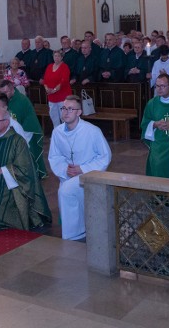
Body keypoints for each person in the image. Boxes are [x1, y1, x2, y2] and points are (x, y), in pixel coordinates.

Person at [48, 95, 111, 240]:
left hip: (89, 175)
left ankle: (72, 235)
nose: (66, 112)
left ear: (79, 112)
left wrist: (83, 169)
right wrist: (65, 170)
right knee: (67, 191)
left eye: (71, 109)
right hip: (67, 175)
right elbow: (55, 156)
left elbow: (105, 156)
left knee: (66, 191)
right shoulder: (57, 132)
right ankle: (78, 230)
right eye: (64, 108)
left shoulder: (92, 131)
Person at [0, 79, 47, 179]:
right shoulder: (8, 99)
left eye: (6, 92)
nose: (4, 95)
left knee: (31, 152)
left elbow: (17, 118)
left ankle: (37, 173)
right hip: (19, 129)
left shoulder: (20, 100)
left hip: (28, 129)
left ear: (12, 89)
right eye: (2, 93)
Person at [43, 49, 72, 127]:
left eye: (59, 56)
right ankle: (57, 135)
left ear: (62, 57)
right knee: (54, 118)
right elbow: (45, 80)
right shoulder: (49, 66)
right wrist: (47, 89)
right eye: (55, 56)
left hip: (62, 96)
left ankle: (66, 136)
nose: (56, 58)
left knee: (64, 118)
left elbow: (63, 81)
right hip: (51, 96)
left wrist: (54, 90)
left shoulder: (64, 67)